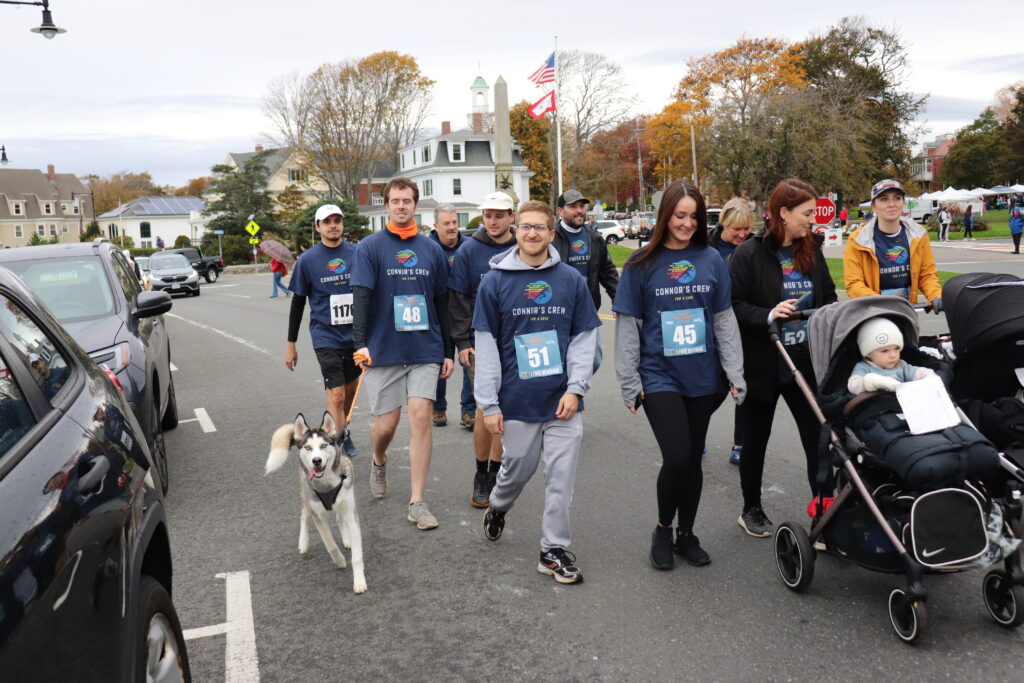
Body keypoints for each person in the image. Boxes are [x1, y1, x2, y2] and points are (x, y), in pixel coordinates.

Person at [614, 180, 745, 570]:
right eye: (679, 215)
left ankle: (686, 534)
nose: (686, 223)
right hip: (659, 376)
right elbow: (628, 326)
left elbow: (723, 321)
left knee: (692, 461)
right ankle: (662, 529)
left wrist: (734, 371)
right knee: (677, 455)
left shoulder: (712, 261)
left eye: (693, 216)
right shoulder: (640, 264)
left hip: (704, 377)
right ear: (665, 216)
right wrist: (628, 382)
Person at [477, 200, 600, 585]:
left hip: (563, 400)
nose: (532, 233)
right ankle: (498, 506)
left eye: (540, 228)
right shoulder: (493, 282)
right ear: (515, 231)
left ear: (552, 233)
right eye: (525, 227)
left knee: (560, 478)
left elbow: (584, 339)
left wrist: (577, 389)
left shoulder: (571, 281)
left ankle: (553, 550)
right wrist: (489, 404)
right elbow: (486, 346)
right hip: (517, 401)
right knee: (517, 470)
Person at [730, 178, 838, 538]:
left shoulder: (812, 250)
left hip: (804, 364)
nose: (812, 220)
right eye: (806, 213)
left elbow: (828, 298)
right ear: (783, 213)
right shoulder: (749, 253)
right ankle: (752, 508)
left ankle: (824, 512)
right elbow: (733, 306)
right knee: (755, 441)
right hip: (762, 363)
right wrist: (768, 314)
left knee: (819, 442)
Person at [351, 177, 454, 530]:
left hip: (425, 347)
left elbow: (443, 301)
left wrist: (448, 350)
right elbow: (361, 297)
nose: (400, 206)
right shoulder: (370, 247)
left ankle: (417, 501)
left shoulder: (432, 249)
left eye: (407, 201)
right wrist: (359, 342)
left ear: (415, 204)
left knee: (421, 417)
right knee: (387, 424)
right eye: (395, 201)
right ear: (386, 205)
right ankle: (378, 459)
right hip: (384, 349)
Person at [449, 192, 517, 507]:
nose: (492, 221)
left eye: (499, 215)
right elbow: (459, 299)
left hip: (519, 343)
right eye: (488, 215)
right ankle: (482, 474)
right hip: (480, 342)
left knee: (508, 408)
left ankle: (497, 470)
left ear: (511, 217)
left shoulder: (523, 247)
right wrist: (462, 343)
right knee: (485, 408)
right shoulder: (468, 251)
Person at [284, 204, 359, 457]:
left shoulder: (357, 254)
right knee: (336, 393)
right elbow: (298, 302)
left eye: (337, 220)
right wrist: (291, 344)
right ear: (318, 227)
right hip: (325, 335)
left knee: (350, 389)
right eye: (327, 222)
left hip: (355, 335)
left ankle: (343, 429)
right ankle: (335, 444)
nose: (333, 225)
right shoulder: (307, 260)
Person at [843, 179, 943, 310]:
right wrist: (882, 303)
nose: (891, 204)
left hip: (907, 313)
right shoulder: (858, 240)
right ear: (874, 206)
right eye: (884, 199)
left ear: (903, 202)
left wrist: (935, 295)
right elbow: (853, 283)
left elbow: (927, 275)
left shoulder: (918, 235)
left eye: (897, 198)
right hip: (872, 314)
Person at [709, 197, 753, 467]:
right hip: (714, 324)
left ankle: (740, 442)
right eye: (736, 229)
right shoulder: (706, 246)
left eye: (746, 228)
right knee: (714, 388)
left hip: (744, 323)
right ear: (724, 223)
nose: (742, 234)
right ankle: (695, 429)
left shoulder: (752, 246)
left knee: (741, 385)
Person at [554, 190, 619, 372]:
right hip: (558, 312)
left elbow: (608, 272)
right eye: (573, 206)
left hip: (587, 310)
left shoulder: (594, 237)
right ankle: (567, 394)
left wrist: (619, 300)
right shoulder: (550, 238)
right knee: (559, 360)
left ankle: (573, 389)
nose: (579, 211)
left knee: (594, 360)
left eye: (581, 206)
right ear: (560, 211)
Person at [429, 204, 473, 429]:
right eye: (446, 224)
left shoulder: (470, 246)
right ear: (435, 226)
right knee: (440, 361)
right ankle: (438, 407)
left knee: (469, 360)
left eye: (454, 223)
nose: (452, 227)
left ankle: (469, 410)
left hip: (465, 311)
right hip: (438, 313)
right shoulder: (428, 248)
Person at [847, 317, 935, 395]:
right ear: (868, 353)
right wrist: (872, 381)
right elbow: (853, 386)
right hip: (876, 407)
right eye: (884, 351)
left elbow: (916, 372)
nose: (893, 355)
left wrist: (927, 375)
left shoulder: (900, 365)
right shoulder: (863, 368)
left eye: (896, 348)